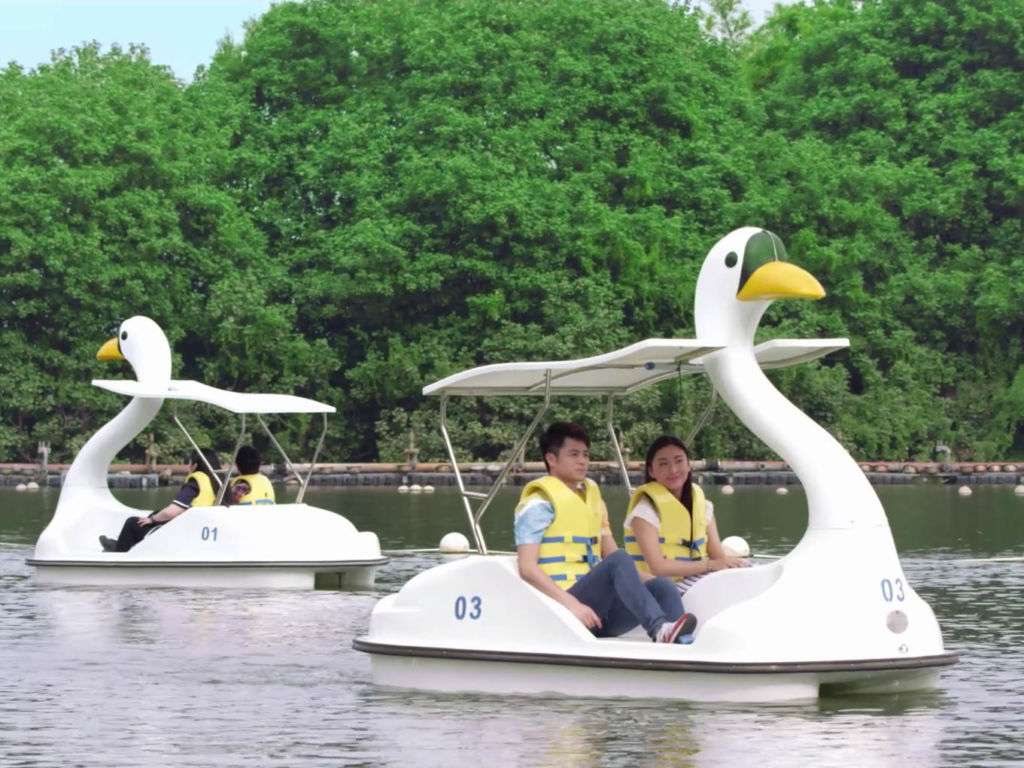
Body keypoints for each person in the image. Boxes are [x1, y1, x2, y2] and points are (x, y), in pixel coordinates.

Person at [515, 422, 697, 644]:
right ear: (551, 459)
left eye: (585, 454)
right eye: (574, 454)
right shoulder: (537, 503)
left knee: (663, 586)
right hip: (561, 608)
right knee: (619, 559)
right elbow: (526, 567)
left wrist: (651, 584)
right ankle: (659, 629)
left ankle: (683, 648)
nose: (582, 461)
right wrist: (572, 605)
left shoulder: (594, 499)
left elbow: (610, 553)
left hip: (596, 611)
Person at [624, 435, 747, 596]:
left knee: (747, 575)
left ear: (688, 465)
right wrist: (709, 565)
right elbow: (658, 567)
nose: (673, 470)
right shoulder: (644, 512)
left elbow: (718, 556)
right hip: (659, 589)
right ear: (651, 471)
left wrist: (728, 566)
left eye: (679, 461)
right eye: (663, 464)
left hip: (697, 580)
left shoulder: (704, 506)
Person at [99, 448, 221, 552]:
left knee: (132, 523)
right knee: (154, 515)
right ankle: (121, 545)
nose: (188, 467)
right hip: (201, 530)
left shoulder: (196, 482)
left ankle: (119, 553)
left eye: (190, 463)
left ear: (195, 466)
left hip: (182, 533)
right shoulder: (219, 484)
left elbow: (171, 512)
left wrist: (152, 519)